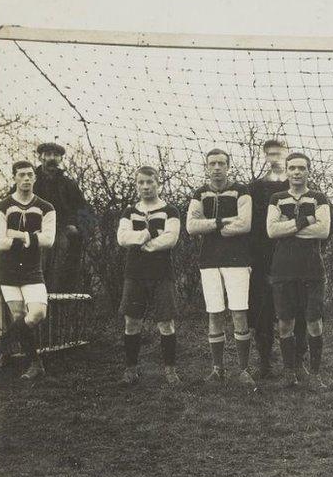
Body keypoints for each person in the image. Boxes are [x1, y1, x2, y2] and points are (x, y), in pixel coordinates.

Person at [186, 148, 255, 385]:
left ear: (228, 166)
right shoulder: (200, 193)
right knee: (214, 313)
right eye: (212, 163)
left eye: (221, 163)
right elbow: (191, 226)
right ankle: (218, 369)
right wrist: (221, 222)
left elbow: (245, 224)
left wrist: (211, 225)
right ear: (207, 167)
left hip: (237, 260)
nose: (217, 167)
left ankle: (244, 370)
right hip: (209, 261)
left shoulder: (241, 190)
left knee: (239, 312)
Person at [266, 152, 332, 387]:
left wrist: (288, 226)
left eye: (301, 168)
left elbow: (323, 231)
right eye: (292, 168)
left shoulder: (319, 198)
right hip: (283, 268)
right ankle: (289, 373)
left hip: (312, 268)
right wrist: (306, 221)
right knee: (285, 322)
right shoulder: (277, 198)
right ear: (286, 170)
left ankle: (314, 375)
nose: (296, 172)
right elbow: (272, 231)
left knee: (314, 321)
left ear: (308, 171)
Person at [116, 166, 182, 386]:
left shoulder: (170, 210)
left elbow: (170, 239)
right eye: (141, 183)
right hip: (134, 274)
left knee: (166, 323)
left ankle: (170, 371)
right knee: (131, 322)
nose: (145, 187)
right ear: (136, 185)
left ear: (158, 183)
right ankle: (131, 370)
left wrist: (144, 245)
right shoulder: (129, 211)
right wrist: (150, 233)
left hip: (162, 273)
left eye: (149, 182)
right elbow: (123, 238)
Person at [0, 160, 56, 379]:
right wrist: (32, 238)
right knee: (19, 315)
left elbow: (49, 240)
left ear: (34, 178)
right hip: (9, 270)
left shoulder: (46, 207)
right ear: (14, 178)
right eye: (22, 175)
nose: (27, 178)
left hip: (32, 270)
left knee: (37, 313)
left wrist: (17, 235)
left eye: (30, 175)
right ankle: (35, 364)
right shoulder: (2, 208)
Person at [248, 139, 299, 378]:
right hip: (263, 259)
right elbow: (251, 228)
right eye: (270, 154)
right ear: (265, 157)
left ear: (287, 155)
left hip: (293, 257)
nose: (274, 158)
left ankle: (298, 362)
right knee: (263, 311)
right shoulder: (255, 188)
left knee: (295, 308)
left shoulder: (299, 186)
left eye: (278, 153)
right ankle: (265, 361)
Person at [33, 142, 89, 294]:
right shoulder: (31, 182)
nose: (52, 158)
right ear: (40, 157)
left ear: (61, 159)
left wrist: (75, 226)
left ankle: (56, 299)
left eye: (56, 155)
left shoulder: (68, 184)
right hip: (35, 231)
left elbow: (84, 210)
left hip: (62, 231)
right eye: (48, 154)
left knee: (60, 268)